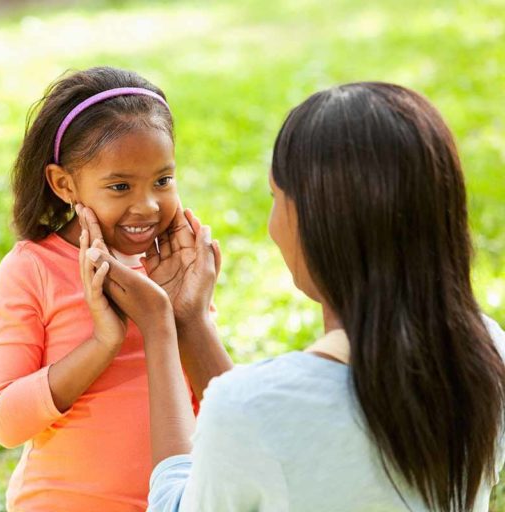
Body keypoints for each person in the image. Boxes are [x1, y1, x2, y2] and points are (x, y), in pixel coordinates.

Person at [80, 82, 505, 511]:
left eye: (275, 198)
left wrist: (159, 327)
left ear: (315, 223)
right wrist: (189, 322)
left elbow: (182, 497)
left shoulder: (258, 408)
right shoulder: (487, 356)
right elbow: (274, 436)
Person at [0, 66, 201, 511]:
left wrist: (189, 316)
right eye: (120, 186)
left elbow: (218, 404)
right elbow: (4, 421)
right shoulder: (32, 270)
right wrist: (104, 342)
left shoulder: (177, 264)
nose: (148, 205)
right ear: (64, 184)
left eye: (163, 180)